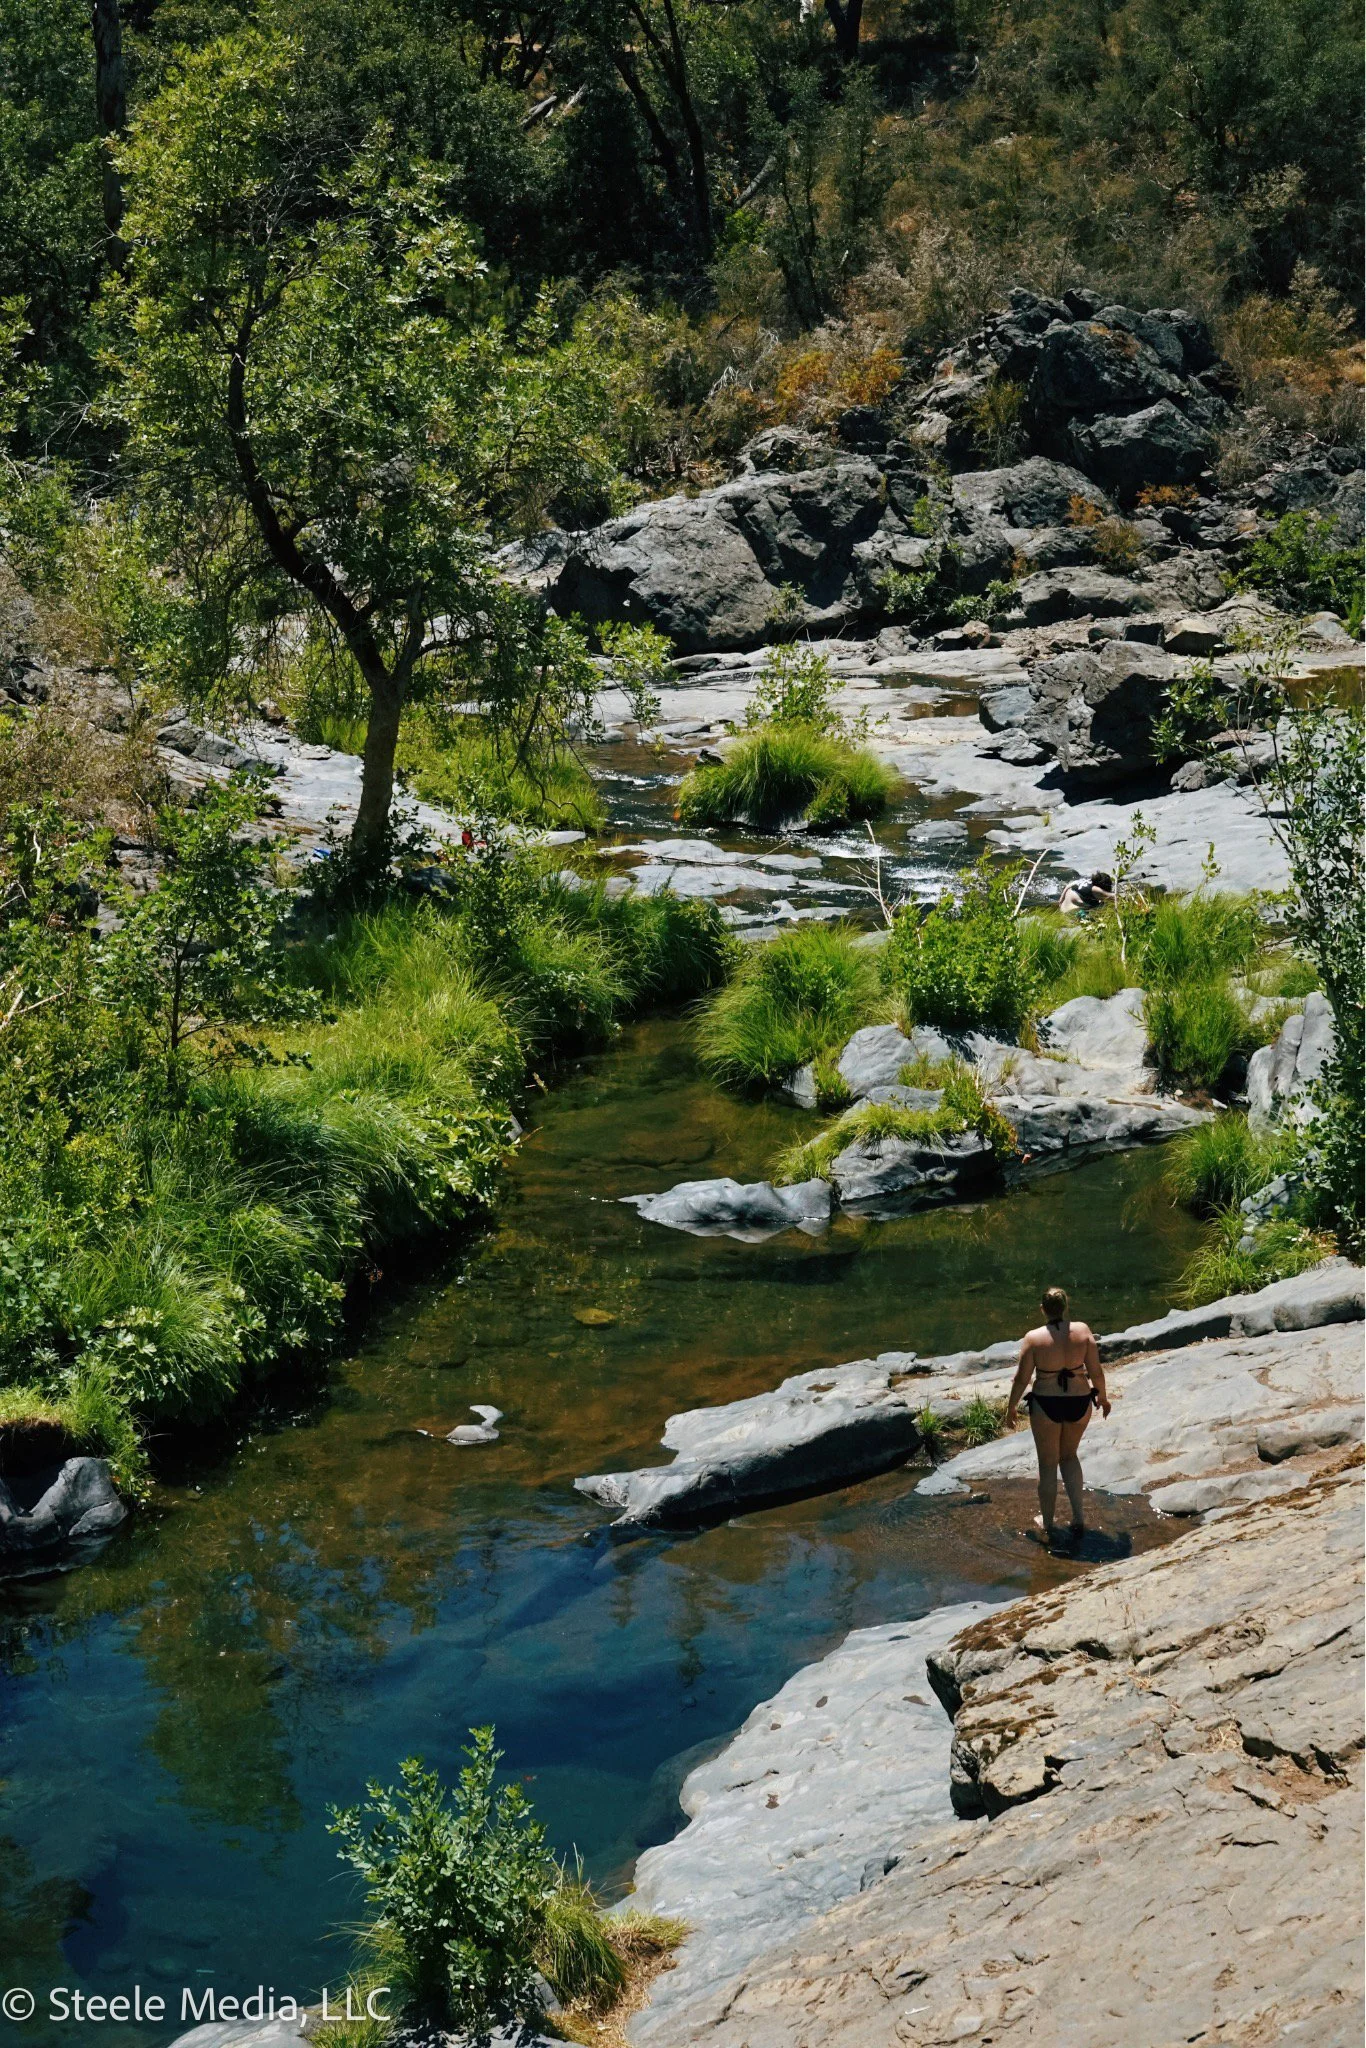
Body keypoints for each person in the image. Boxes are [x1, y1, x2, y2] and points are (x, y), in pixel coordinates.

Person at [1005, 1286, 1111, 1547]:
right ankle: (1078, 1517)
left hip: (1046, 1403)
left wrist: (1010, 1407)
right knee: (1070, 1456)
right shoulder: (1083, 1331)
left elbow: (1022, 1379)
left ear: (1043, 1309)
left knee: (1048, 1463)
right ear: (1066, 1307)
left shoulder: (1033, 1338)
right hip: (1079, 1401)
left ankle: (1049, 1523)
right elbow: (1096, 1372)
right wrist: (1104, 1398)